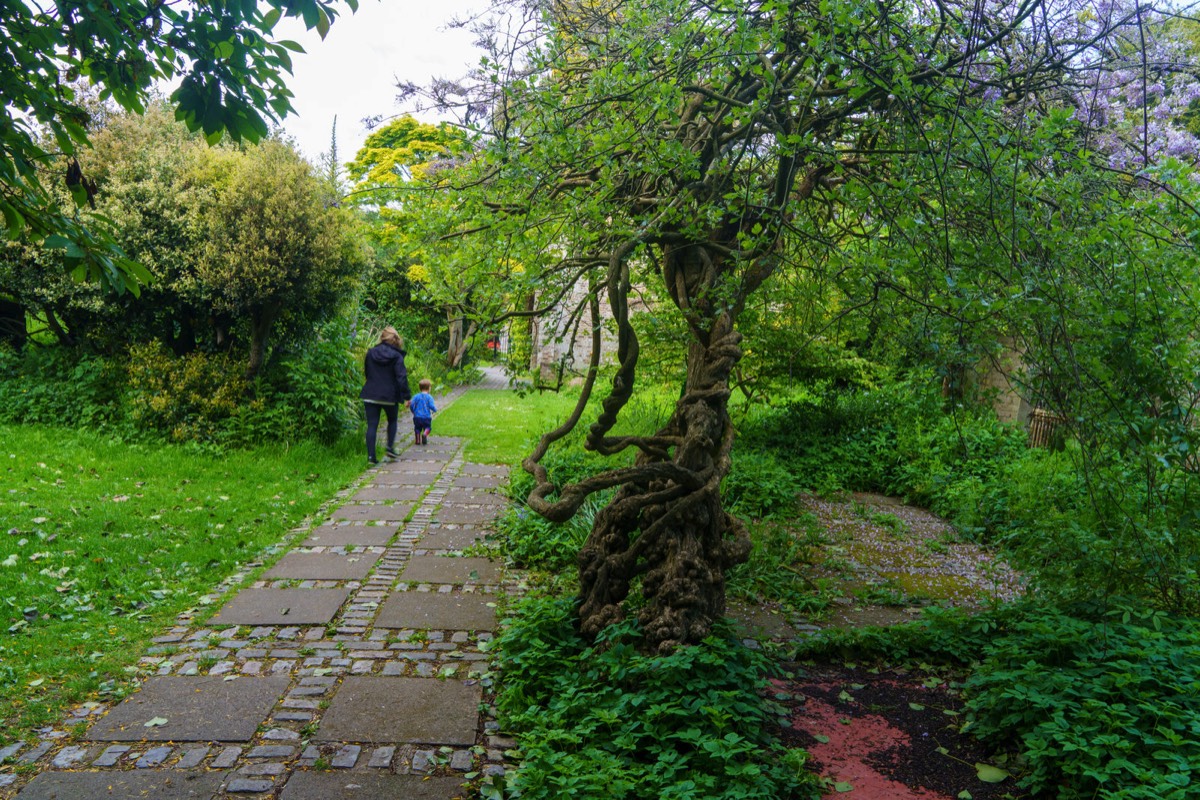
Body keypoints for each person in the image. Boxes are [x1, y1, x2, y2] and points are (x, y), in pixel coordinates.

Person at [359, 326, 411, 466]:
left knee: (372, 425)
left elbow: (367, 372)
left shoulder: (371, 353)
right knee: (392, 420)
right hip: (389, 396)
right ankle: (389, 448)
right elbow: (401, 377)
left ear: (382, 337)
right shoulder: (397, 356)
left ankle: (371, 458)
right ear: (396, 340)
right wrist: (407, 396)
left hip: (370, 393)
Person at [409, 378, 437, 445]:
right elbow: (431, 406)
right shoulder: (429, 397)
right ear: (429, 388)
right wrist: (435, 410)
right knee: (428, 428)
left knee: (417, 429)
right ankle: (425, 434)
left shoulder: (416, 396)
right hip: (426, 417)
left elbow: (411, 404)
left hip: (417, 417)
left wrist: (413, 411)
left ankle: (418, 440)